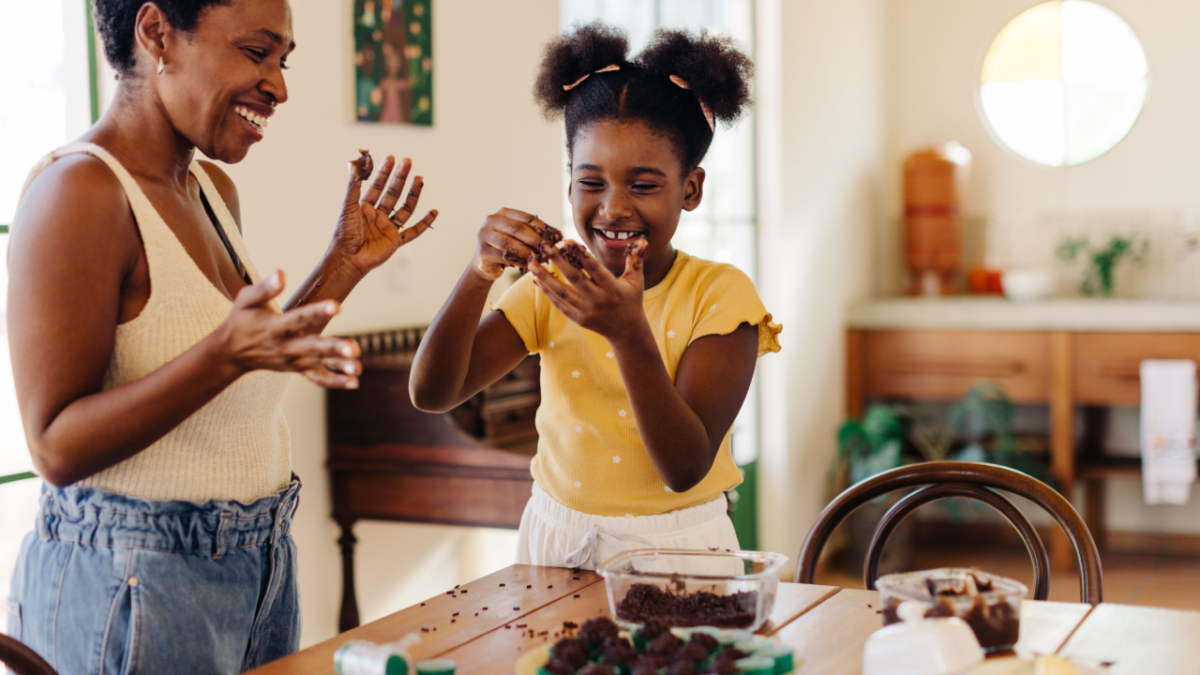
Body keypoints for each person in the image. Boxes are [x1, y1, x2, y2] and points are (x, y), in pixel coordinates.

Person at [5, 0, 437, 672]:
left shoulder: (213, 191)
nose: (280, 85)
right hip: (136, 578)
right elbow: (54, 445)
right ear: (156, 33)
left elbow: (243, 371)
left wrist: (341, 264)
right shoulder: (80, 191)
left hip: (257, 562)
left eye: (283, 60)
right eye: (257, 52)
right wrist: (220, 354)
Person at [410, 23, 780, 570]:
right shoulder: (551, 286)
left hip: (677, 551)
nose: (612, 208)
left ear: (691, 189)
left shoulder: (720, 296)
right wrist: (477, 272)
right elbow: (435, 392)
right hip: (556, 540)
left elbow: (683, 468)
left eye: (644, 184)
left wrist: (627, 333)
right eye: (591, 182)